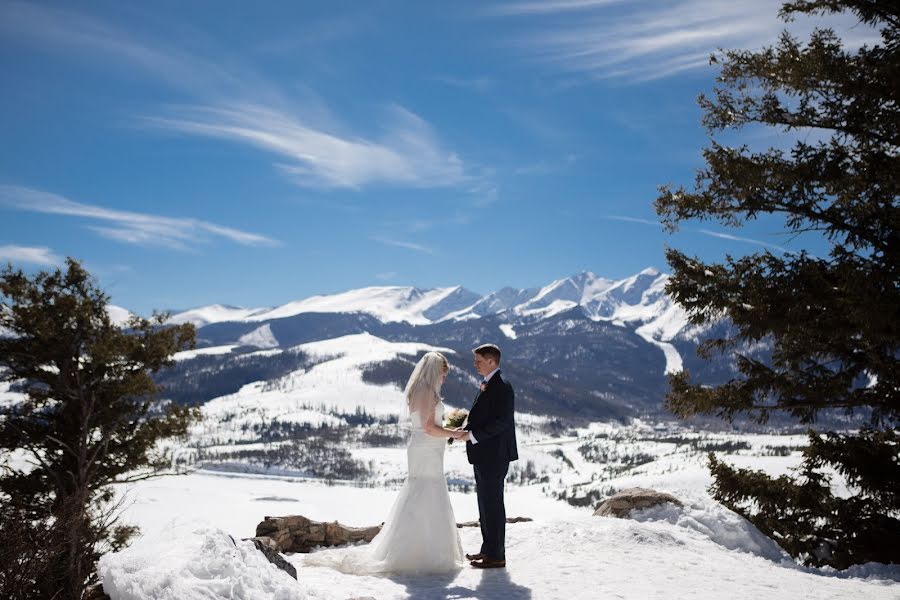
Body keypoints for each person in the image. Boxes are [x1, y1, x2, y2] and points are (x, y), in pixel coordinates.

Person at [303, 351, 466, 575]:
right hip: (427, 448)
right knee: (429, 491)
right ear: (435, 372)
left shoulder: (416, 390)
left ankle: (414, 548)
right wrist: (454, 433)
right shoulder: (428, 392)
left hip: (423, 447)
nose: (443, 379)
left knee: (420, 491)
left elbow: (424, 424)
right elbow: (429, 428)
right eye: (442, 375)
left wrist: (446, 430)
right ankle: (425, 553)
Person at [456, 343, 518, 569]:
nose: (475, 364)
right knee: (485, 505)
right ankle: (488, 550)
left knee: (492, 505)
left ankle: (497, 556)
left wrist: (472, 435)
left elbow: (502, 422)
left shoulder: (502, 386)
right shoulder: (489, 384)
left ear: (491, 361)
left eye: (479, 361)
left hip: (494, 455)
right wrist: (466, 425)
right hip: (484, 455)